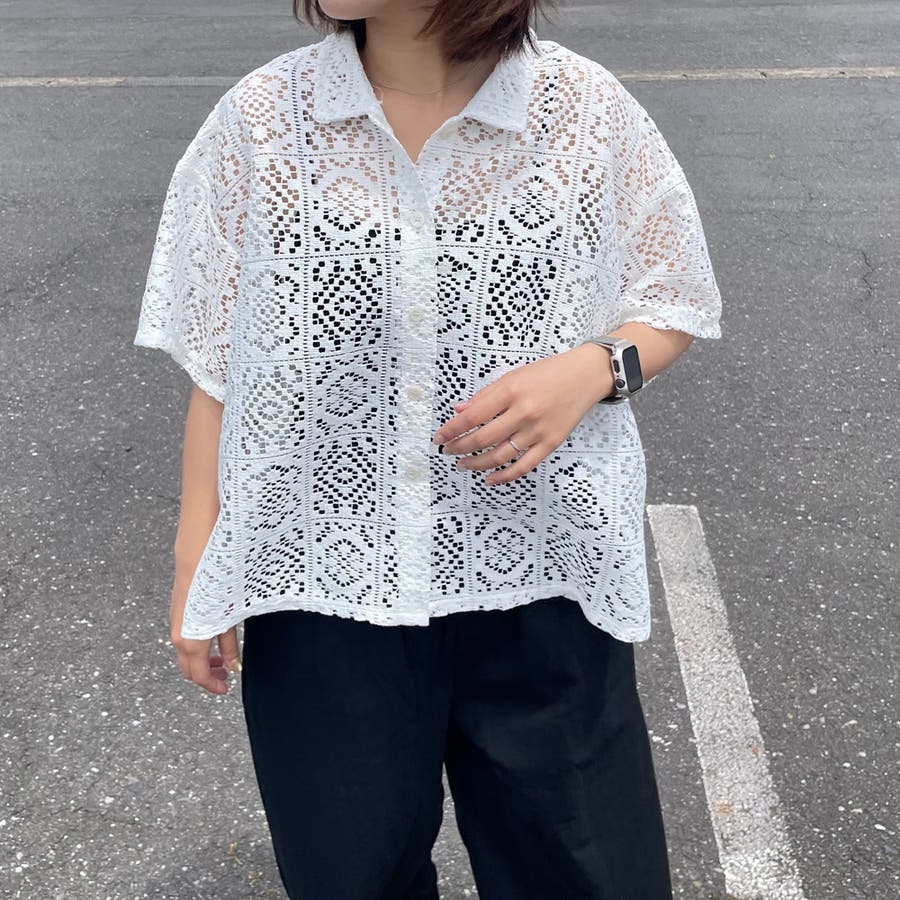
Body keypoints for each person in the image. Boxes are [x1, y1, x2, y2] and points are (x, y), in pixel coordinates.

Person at [133, 1, 723, 897]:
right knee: (349, 877)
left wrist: (592, 371)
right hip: (325, 586)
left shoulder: (583, 109)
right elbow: (221, 362)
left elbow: (673, 294)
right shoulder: (260, 122)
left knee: (584, 873)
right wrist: (196, 560)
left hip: (543, 575)